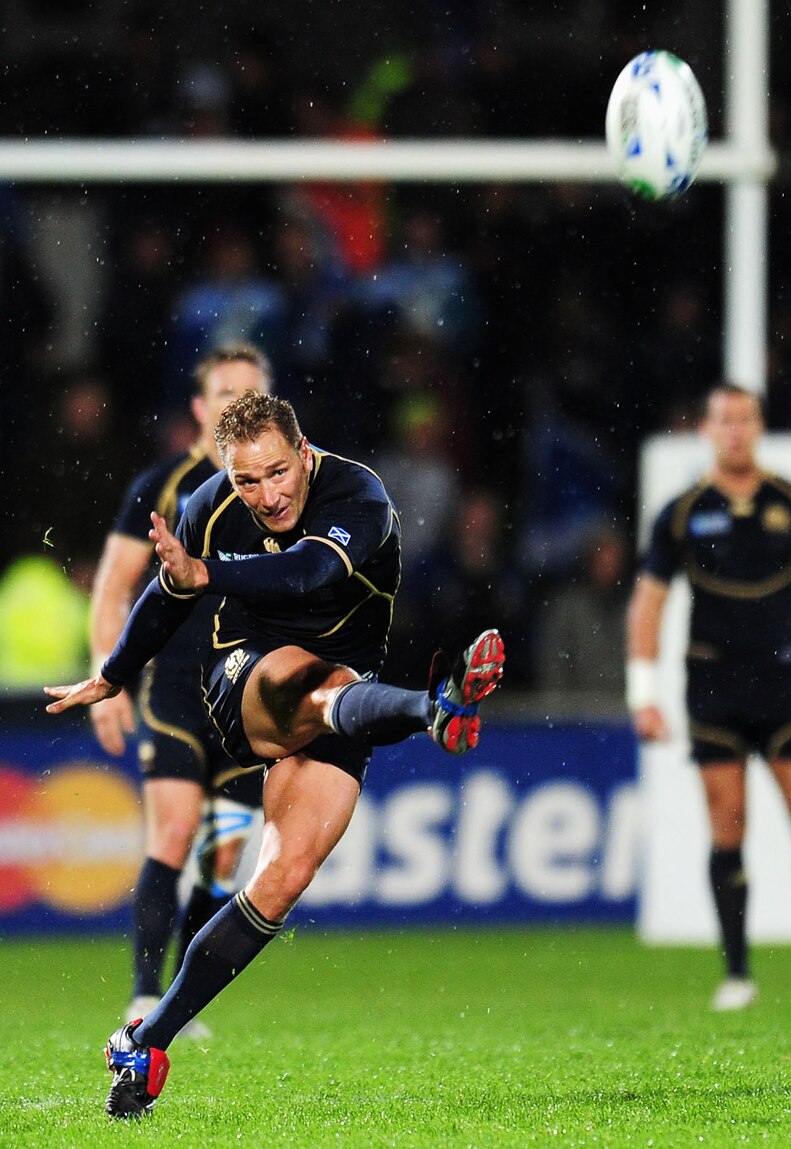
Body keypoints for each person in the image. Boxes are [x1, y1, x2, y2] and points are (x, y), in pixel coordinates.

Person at [45, 390, 505, 1119]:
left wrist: (205, 575)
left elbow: (308, 574)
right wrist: (114, 672)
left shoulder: (359, 494)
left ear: (303, 451)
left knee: (280, 879)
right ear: (228, 473)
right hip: (248, 678)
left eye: (278, 472)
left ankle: (143, 1040)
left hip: (348, 699)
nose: (266, 493)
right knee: (307, 676)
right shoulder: (207, 504)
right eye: (247, 480)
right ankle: (432, 706)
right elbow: (166, 599)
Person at [626, 382, 791, 1012]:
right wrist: (644, 694)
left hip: (786, 685)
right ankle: (737, 974)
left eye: (747, 419)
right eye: (725, 420)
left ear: (760, 428)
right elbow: (649, 605)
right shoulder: (681, 513)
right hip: (714, 688)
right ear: (705, 430)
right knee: (727, 826)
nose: (736, 430)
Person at [88, 343, 270, 1037]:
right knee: (171, 830)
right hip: (172, 687)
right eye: (225, 393)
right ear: (200, 407)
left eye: (250, 394)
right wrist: (109, 677)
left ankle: (176, 1002)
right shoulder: (164, 485)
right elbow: (111, 589)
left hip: (245, 695)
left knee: (225, 851)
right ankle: (141, 993)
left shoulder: (277, 491)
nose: (236, 404)